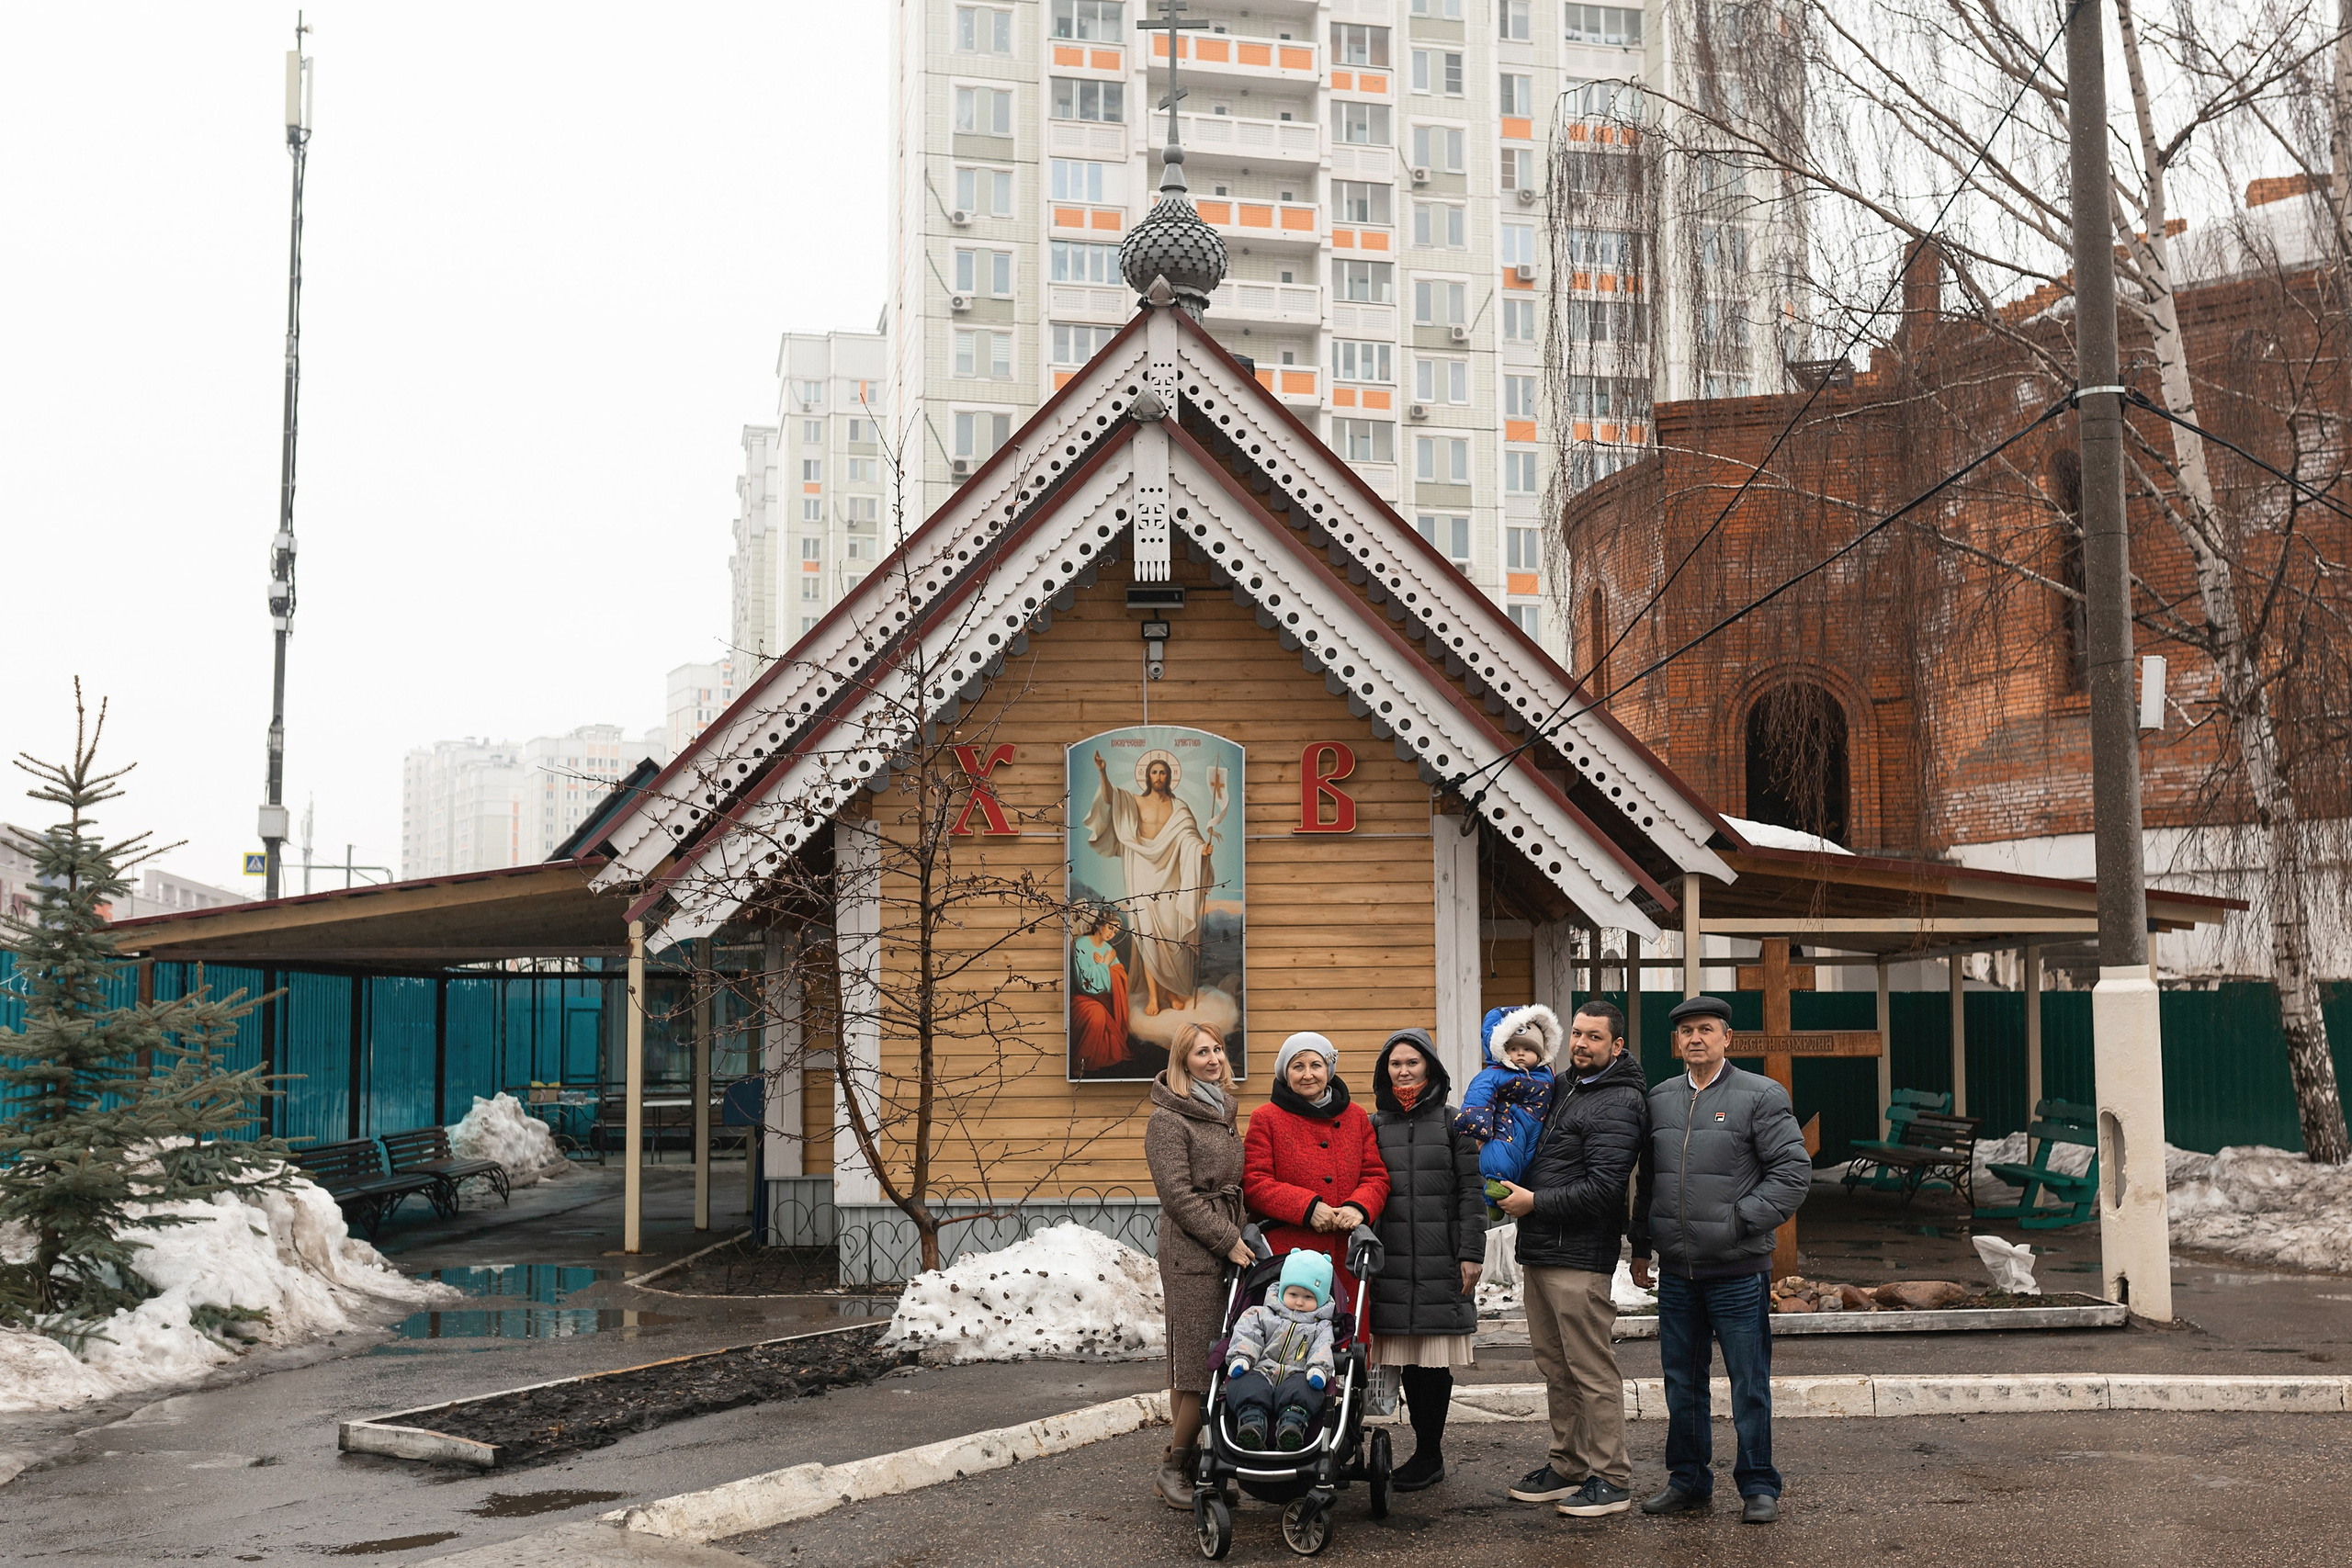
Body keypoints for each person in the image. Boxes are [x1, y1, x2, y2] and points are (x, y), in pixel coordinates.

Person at [1627, 994, 1812, 1525]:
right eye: (1686, 1031)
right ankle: (1688, 1481)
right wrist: (1642, 1245)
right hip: (1679, 1274)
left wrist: (1738, 1221)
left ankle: (1758, 1485)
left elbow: (1792, 1175)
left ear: (1727, 1038)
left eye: (1706, 1029)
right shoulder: (1659, 1099)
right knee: (1681, 1383)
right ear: (1676, 1042)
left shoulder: (1760, 1095)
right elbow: (1650, 1181)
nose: (1695, 1039)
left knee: (1747, 1381)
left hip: (1736, 1271)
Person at [1493, 999, 1649, 1518]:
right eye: (1577, 1034)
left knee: (1590, 1370)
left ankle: (1612, 1477)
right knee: (1556, 1367)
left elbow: (1605, 1190)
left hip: (1579, 1258)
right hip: (1540, 1249)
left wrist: (1534, 1202)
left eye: (1594, 1037)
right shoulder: (1562, 1086)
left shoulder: (1620, 1101)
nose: (1582, 1044)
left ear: (1616, 1046)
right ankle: (1568, 1466)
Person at [1365, 1029, 1486, 1490]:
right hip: (1390, 1262)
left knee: (1431, 1365)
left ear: (1430, 1067)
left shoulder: (1454, 1124)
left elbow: (1471, 1194)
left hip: (1441, 1261)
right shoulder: (1373, 1127)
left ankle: (1429, 1454)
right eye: (1395, 1063)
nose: (1404, 1070)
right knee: (1397, 1360)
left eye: (1412, 1062)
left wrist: (1471, 1253)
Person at [1144, 1021, 1254, 1507]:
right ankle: (1174, 1469)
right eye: (1200, 1052)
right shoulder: (1168, 1119)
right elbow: (1178, 1197)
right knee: (1197, 1365)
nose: (1213, 1058)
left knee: (1202, 1359)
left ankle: (1190, 1465)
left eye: (1217, 1049)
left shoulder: (1222, 1109)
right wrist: (1227, 1238)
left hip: (1224, 1238)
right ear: (1181, 1061)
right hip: (1191, 1249)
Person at [1243, 1032, 1390, 1303]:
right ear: (1285, 1075)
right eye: (1298, 1067)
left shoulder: (1356, 1117)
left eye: (1316, 1065)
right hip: (1288, 1258)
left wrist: (1357, 1207)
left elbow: (1375, 1176)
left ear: (1329, 1070)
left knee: (1345, 1339)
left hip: (1345, 1254)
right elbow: (1255, 1182)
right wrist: (1307, 1207)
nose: (1307, 1074)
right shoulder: (1265, 1119)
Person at [1224, 1249, 1339, 1450]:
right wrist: (1242, 1357)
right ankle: (1252, 1424)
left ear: (1321, 1300)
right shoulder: (1261, 1314)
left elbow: (1322, 1348)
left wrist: (1318, 1369)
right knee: (1246, 1384)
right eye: (1293, 1294)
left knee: (1307, 1391)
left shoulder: (1321, 1326)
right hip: (1261, 1369)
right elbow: (1247, 1334)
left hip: (1299, 1374)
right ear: (1282, 1290)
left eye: (1308, 1297)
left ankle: (1291, 1427)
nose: (1299, 1302)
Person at [1454, 1005, 1561, 1213]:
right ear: (1504, 1051)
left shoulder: (1547, 1074)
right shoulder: (1498, 1073)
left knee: (1527, 1158)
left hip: (1535, 1124)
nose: (1520, 1054)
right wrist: (1477, 1123)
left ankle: (1502, 1196)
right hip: (1508, 1123)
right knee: (1502, 1152)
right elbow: (1480, 1090)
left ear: (1540, 1054)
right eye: (1514, 1049)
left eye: (1528, 1049)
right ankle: (1494, 1188)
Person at [1071, 908, 1134, 1075]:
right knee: (1096, 1013)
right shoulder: (1081, 944)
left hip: (1106, 1001)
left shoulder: (1109, 950)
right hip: (1081, 999)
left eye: (1116, 931)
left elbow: (1120, 978)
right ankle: (1080, 1061)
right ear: (1100, 924)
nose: (1112, 933)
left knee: (1105, 1021)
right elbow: (1086, 984)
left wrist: (1108, 967)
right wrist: (1105, 965)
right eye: (1110, 927)